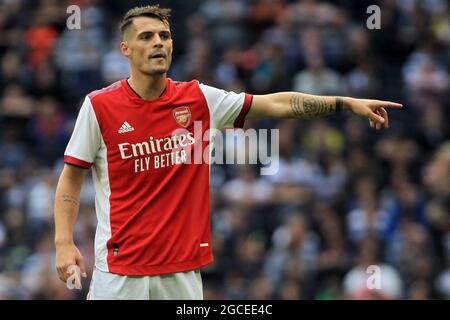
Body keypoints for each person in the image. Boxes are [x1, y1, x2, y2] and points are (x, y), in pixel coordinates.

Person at [54, 5, 402, 300]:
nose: (158, 42)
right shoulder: (99, 106)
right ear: (125, 49)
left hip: (183, 273)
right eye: (146, 37)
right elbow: (71, 177)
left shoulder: (198, 99)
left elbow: (277, 104)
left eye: (164, 36)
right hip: (119, 273)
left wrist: (344, 102)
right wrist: (63, 242)